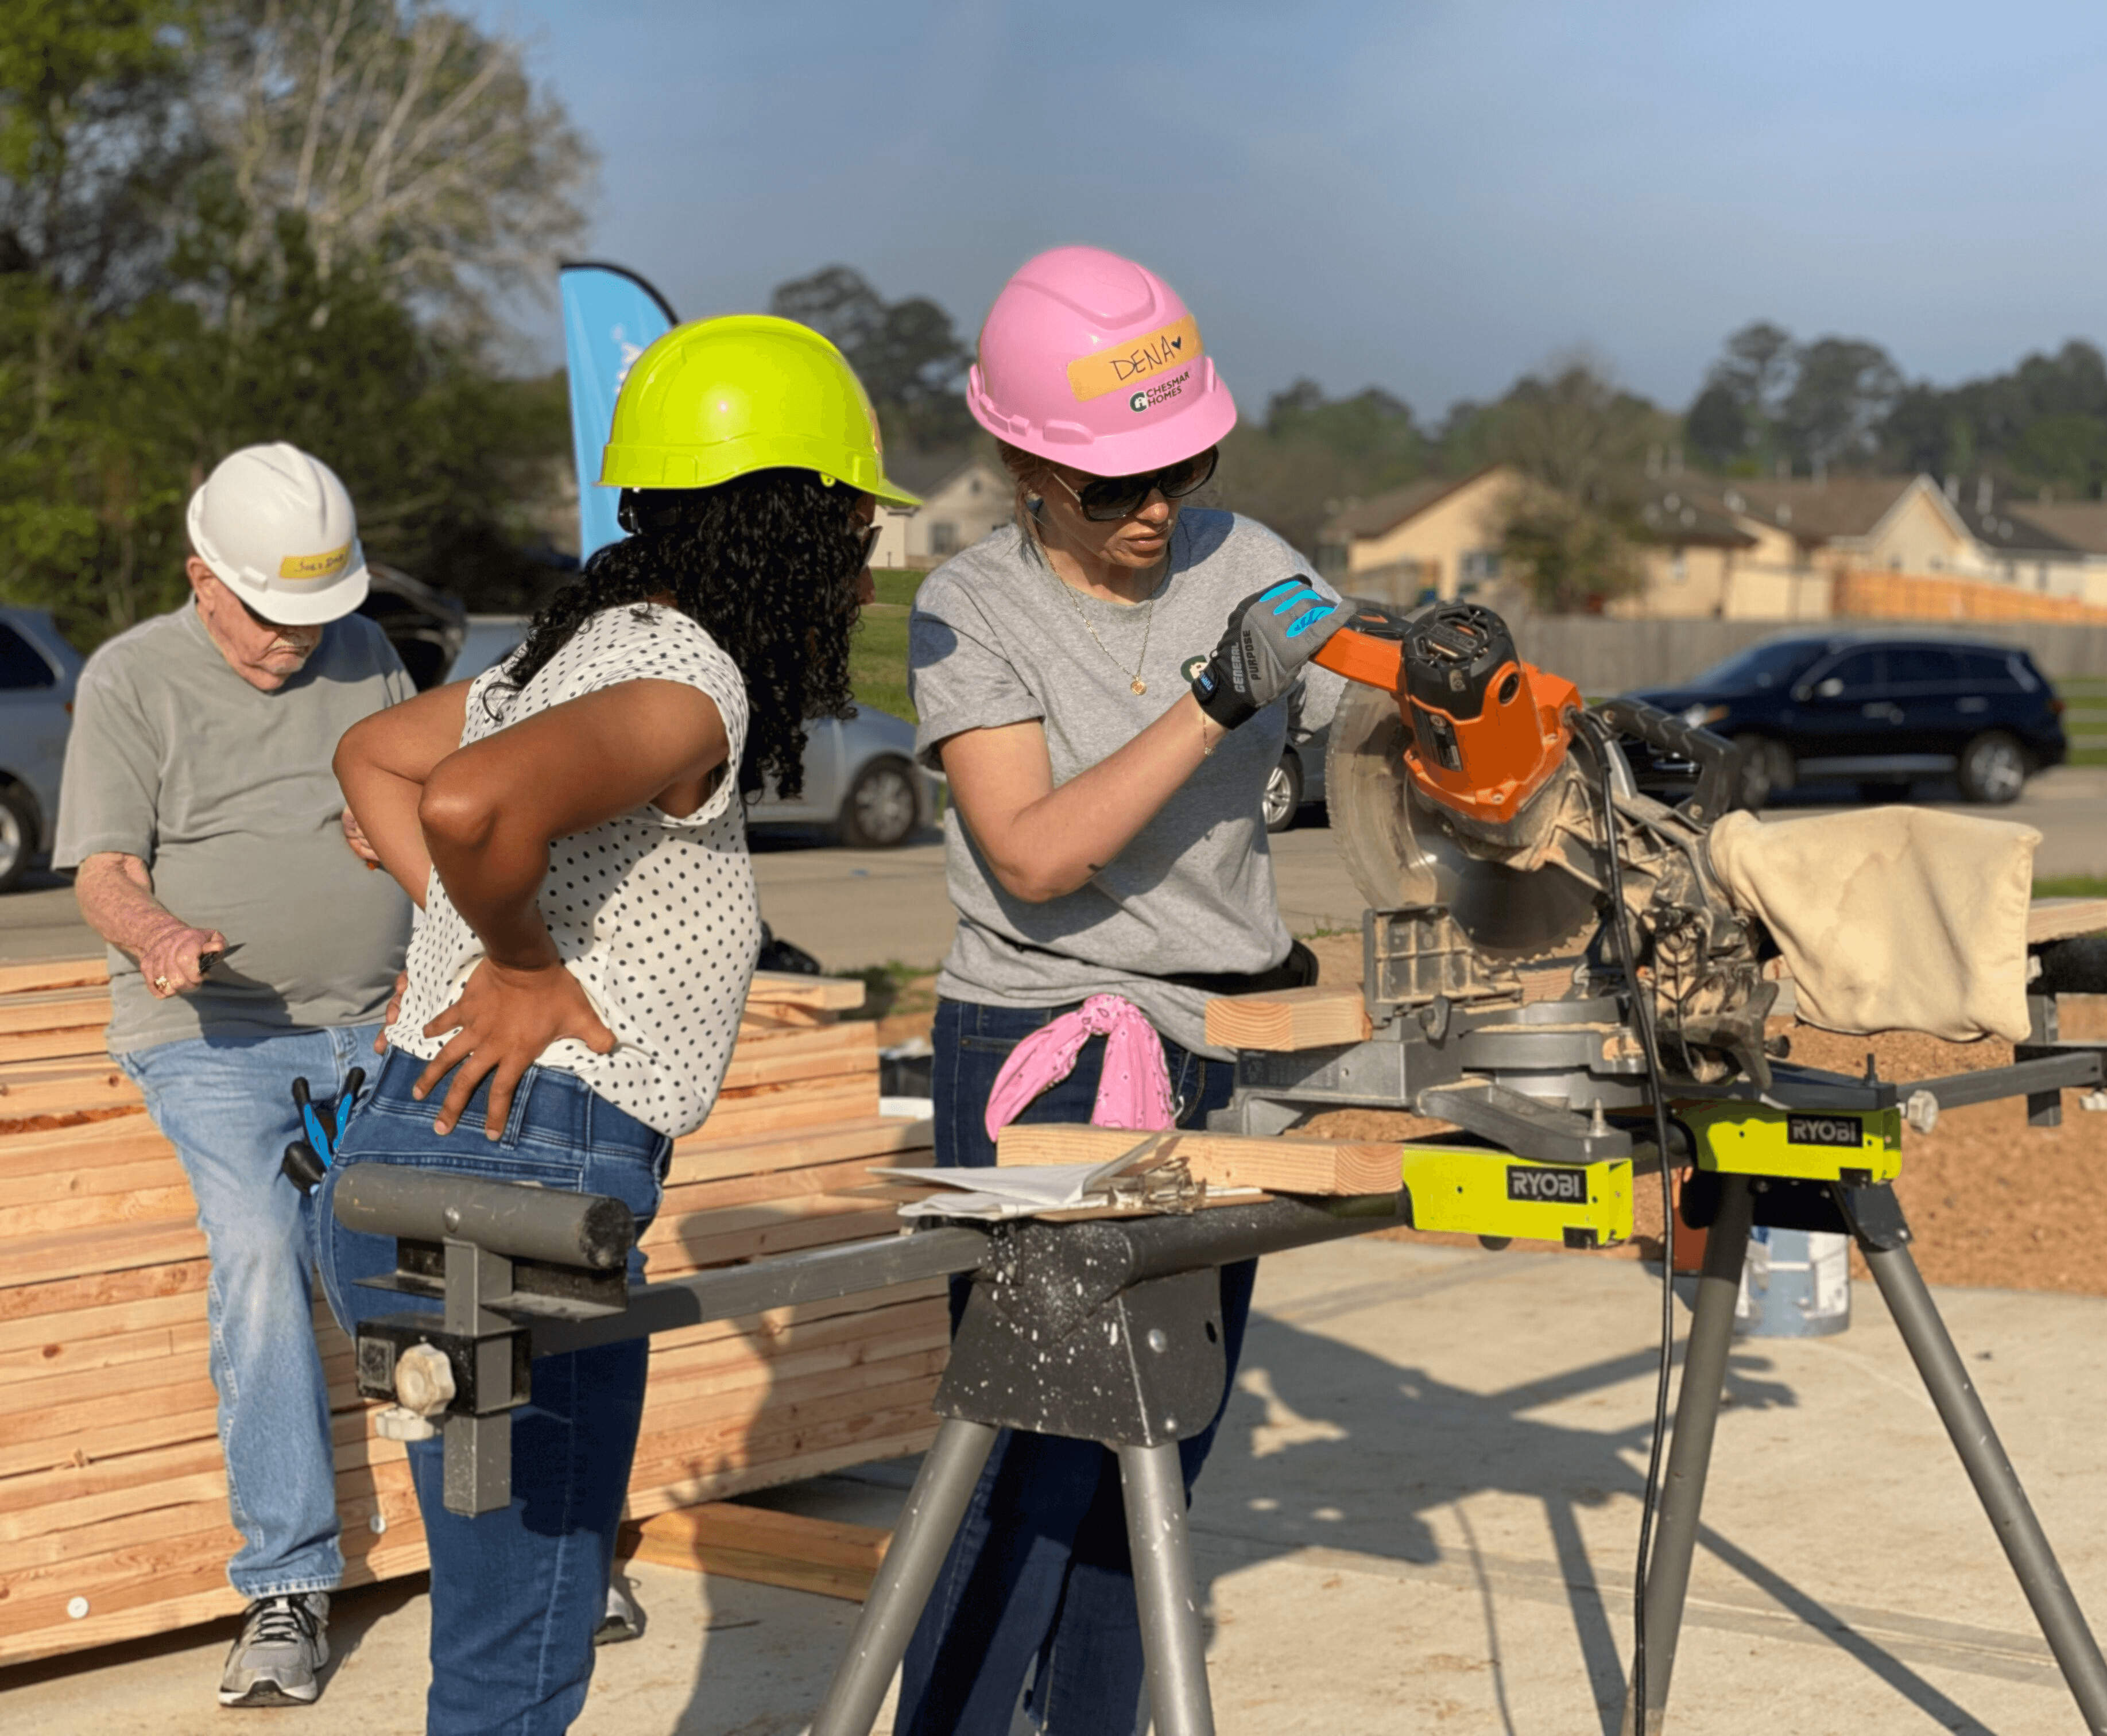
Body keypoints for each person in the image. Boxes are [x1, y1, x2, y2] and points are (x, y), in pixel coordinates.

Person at [319, 313, 918, 1736]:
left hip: (418, 1149)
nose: (865, 567)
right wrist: (515, 962)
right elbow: (467, 807)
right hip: (523, 1184)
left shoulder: (564, 659)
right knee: (518, 1667)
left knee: (495, 1640)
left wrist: (461, 928)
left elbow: (377, 756)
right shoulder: (689, 677)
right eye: (854, 531)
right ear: (799, 525)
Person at [897, 245, 1351, 1735]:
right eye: (1117, 486)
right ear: (1025, 462)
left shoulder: (1249, 558)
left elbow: (1383, 721)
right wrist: (1213, 698)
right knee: (1023, 1460)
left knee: (1163, 1446)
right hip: (1048, 1042)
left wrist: (1454, 690)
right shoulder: (970, 611)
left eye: (1186, 462)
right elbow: (1031, 853)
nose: (1159, 506)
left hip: (1228, 1039)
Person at [52, 443, 412, 1708]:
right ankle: (287, 1585)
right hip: (212, 1038)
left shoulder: (367, 657)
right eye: (272, 615)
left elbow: (418, 823)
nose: (296, 642)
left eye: (321, 613)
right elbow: (103, 871)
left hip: (374, 1023)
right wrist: (159, 939)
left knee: (443, 1249)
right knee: (262, 1247)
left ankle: (513, 1555)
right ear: (202, 578)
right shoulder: (133, 678)